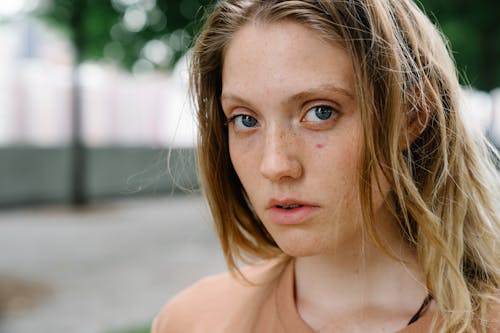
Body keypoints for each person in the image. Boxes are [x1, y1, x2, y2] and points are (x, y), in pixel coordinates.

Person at [152, 0, 500, 332]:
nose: (275, 165)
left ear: (412, 115)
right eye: (245, 120)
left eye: (320, 112)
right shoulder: (190, 322)